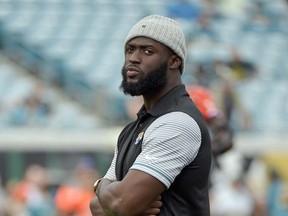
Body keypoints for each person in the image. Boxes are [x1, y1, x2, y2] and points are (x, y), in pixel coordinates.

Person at [90, 15, 211, 216]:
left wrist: (105, 191)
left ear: (174, 61)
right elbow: (97, 208)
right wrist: (106, 190)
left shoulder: (178, 122)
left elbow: (120, 204)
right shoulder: (133, 128)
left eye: (147, 51)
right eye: (130, 49)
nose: (133, 58)